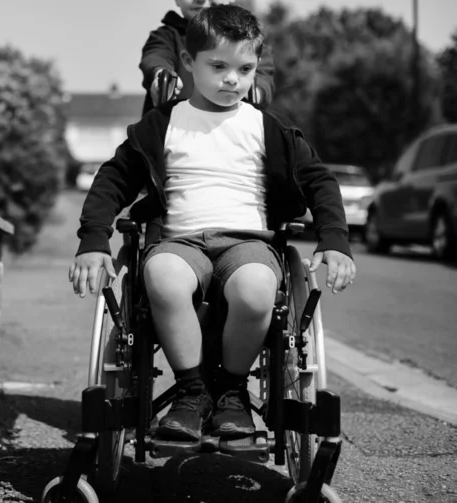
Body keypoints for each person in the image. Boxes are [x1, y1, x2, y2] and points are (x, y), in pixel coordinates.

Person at [69, 4, 356, 442]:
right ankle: (192, 392)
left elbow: (319, 180)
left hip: (248, 242)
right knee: (160, 275)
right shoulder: (161, 125)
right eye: (218, 66)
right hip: (181, 242)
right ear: (188, 63)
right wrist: (93, 241)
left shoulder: (268, 128)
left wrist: (333, 240)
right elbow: (112, 179)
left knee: (258, 288)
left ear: (257, 68)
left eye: (245, 68)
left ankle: (232, 393)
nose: (232, 79)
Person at [139, 0, 276, 116]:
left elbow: (263, 76)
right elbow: (157, 56)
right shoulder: (165, 36)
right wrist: (162, 78)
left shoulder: (251, 41)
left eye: (245, 69)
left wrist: (254, 94)